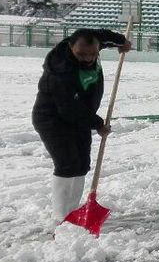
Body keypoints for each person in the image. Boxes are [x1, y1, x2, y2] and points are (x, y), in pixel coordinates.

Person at [32, 28, 131, 223]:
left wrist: (121, 42)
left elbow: (103, 35)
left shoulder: (92, 42)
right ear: (71, 46)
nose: (87, 58)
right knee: (67, 164)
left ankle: (74, 212)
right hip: (53, 119)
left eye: (92, 53)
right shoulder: (60, 71)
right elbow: (69, 108)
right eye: (81, 54)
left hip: (81, 117)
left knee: (81, 165)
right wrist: (98, 124)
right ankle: (61, 218)